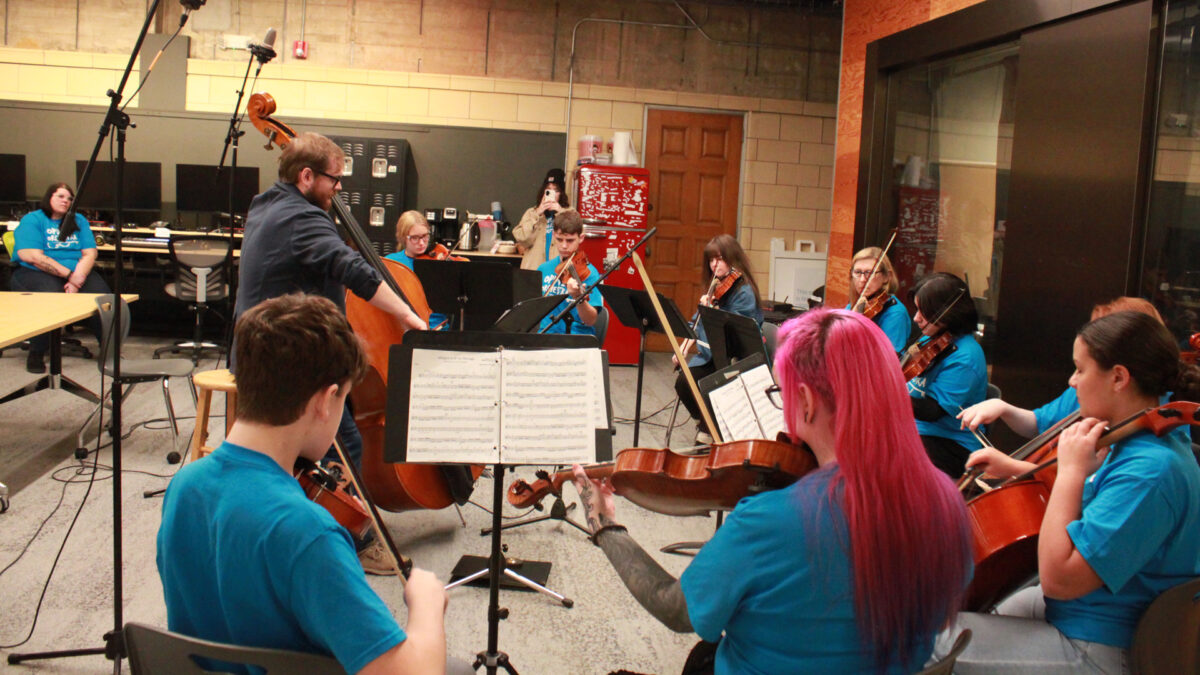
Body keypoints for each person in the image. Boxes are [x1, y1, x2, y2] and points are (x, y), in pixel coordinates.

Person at [573, 309, 973, 674]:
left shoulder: (769, 520)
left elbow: (675, 609)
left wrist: (606, 527)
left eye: (782, 393)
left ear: (806, 401)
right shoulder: (946, 499)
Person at [157, 293, 463, 675]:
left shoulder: (185, 486)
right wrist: (427, 606)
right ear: (326, 400)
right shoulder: (308, 531)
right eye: (346, 401)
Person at [933, 310, 1200, 672]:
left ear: (1119, 377)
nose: (1072, 381)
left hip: (1100, 644)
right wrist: (1037, 471)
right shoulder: (1135, 442)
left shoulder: (1150, 471)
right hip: (1079, 612)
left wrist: (1072, 471)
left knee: (925, 641)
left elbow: (1058, 579)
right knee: (953, 610)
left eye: (1080, 369)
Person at [235, 132, 425, 574]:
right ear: (306, 176)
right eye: (334, 180)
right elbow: (351, 269)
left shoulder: (265, 205)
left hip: (254, 353)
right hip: (288, 362)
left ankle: (291, 526)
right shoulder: (302, 218)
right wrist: (407, 316)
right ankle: (349, 541)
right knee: (344, 446)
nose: (340, 189)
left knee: (317, 446)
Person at [958, 297, 1165, 439]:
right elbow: (1042, 424)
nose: (1073, 381)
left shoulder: (1148, 440)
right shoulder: (1085, 389)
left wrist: (1014, 467)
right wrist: (1003, 408)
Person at [10, 182, 111, 373]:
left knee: (104, 299)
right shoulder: (33, 220)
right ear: (49, 197)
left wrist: (78, 278)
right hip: (35, 272)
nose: (66, 201)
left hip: (76, 272)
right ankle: (37, 352)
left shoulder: (78, 220)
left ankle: (108, 351)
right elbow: (32, 256)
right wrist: (70, 276)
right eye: (60, 196)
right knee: (50, 297)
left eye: (69, 198)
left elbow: (90, 253)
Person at [673, 234, 763, 444]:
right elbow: (697, 320)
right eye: (711, 260)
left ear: (733, 258)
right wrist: (684, 346)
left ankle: (709, 429)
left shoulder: (744, 291)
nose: (715, 265)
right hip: (713, 357)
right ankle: (710, 422)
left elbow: (737, 328)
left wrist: (713, 311)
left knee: (707, 386)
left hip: (735, 358)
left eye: (720, 259)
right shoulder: (716, 286)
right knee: (683, 383)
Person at [906, 272, 988, 478]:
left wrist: (886, 391)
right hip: (918, 431)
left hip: (951, 444)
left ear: (947, 313)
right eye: (917, 310)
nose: (916, 318)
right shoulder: (933, 339)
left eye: (924, 312)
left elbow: (931, 412)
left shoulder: (965, 357)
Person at [536, 209, 601, 335]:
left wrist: (578, 297)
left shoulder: (590, 273)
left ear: (581, 238)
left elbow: (590, 320)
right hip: (546, 335)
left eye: (570, 240)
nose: (564, 246)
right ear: (554, 235)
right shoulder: (543, 269)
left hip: (576, 338)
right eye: (560, 239)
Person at [385, 210, 449, 330]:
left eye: (425, 236)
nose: (421, 243)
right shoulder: (391, 262)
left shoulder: (437, 258)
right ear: (403, 238)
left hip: (438, 326)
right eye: (415, 238)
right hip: (405, 326)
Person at [846, 245, 910, 353]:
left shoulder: (895, 313)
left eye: (870, 273)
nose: (862, 280)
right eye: (857, 272)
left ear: (886, 277)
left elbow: (887, 358)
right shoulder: (857, 304)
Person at [512, 168, 571, 270]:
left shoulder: (569, 213)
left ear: (561, 193)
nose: (552, 193)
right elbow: (522, 240)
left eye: (556, 190)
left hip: (558, 271)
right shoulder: (531, 213)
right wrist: (537, 213)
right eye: (548, 190)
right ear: (543, 192)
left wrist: (560, 211)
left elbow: (576, 238)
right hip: (534, 271)